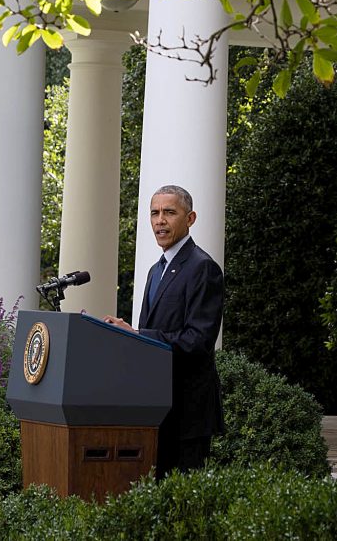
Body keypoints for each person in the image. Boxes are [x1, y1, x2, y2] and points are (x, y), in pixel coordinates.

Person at [103, 184, 225, 478]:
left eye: (170, 212)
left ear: (190, 218)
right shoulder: (155, 270)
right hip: (155, 409)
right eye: (155, 213)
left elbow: (198, 341)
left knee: (183, 509)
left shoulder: (203, 268)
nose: (160, 220)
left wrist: (137, 334)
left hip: (187, 414)